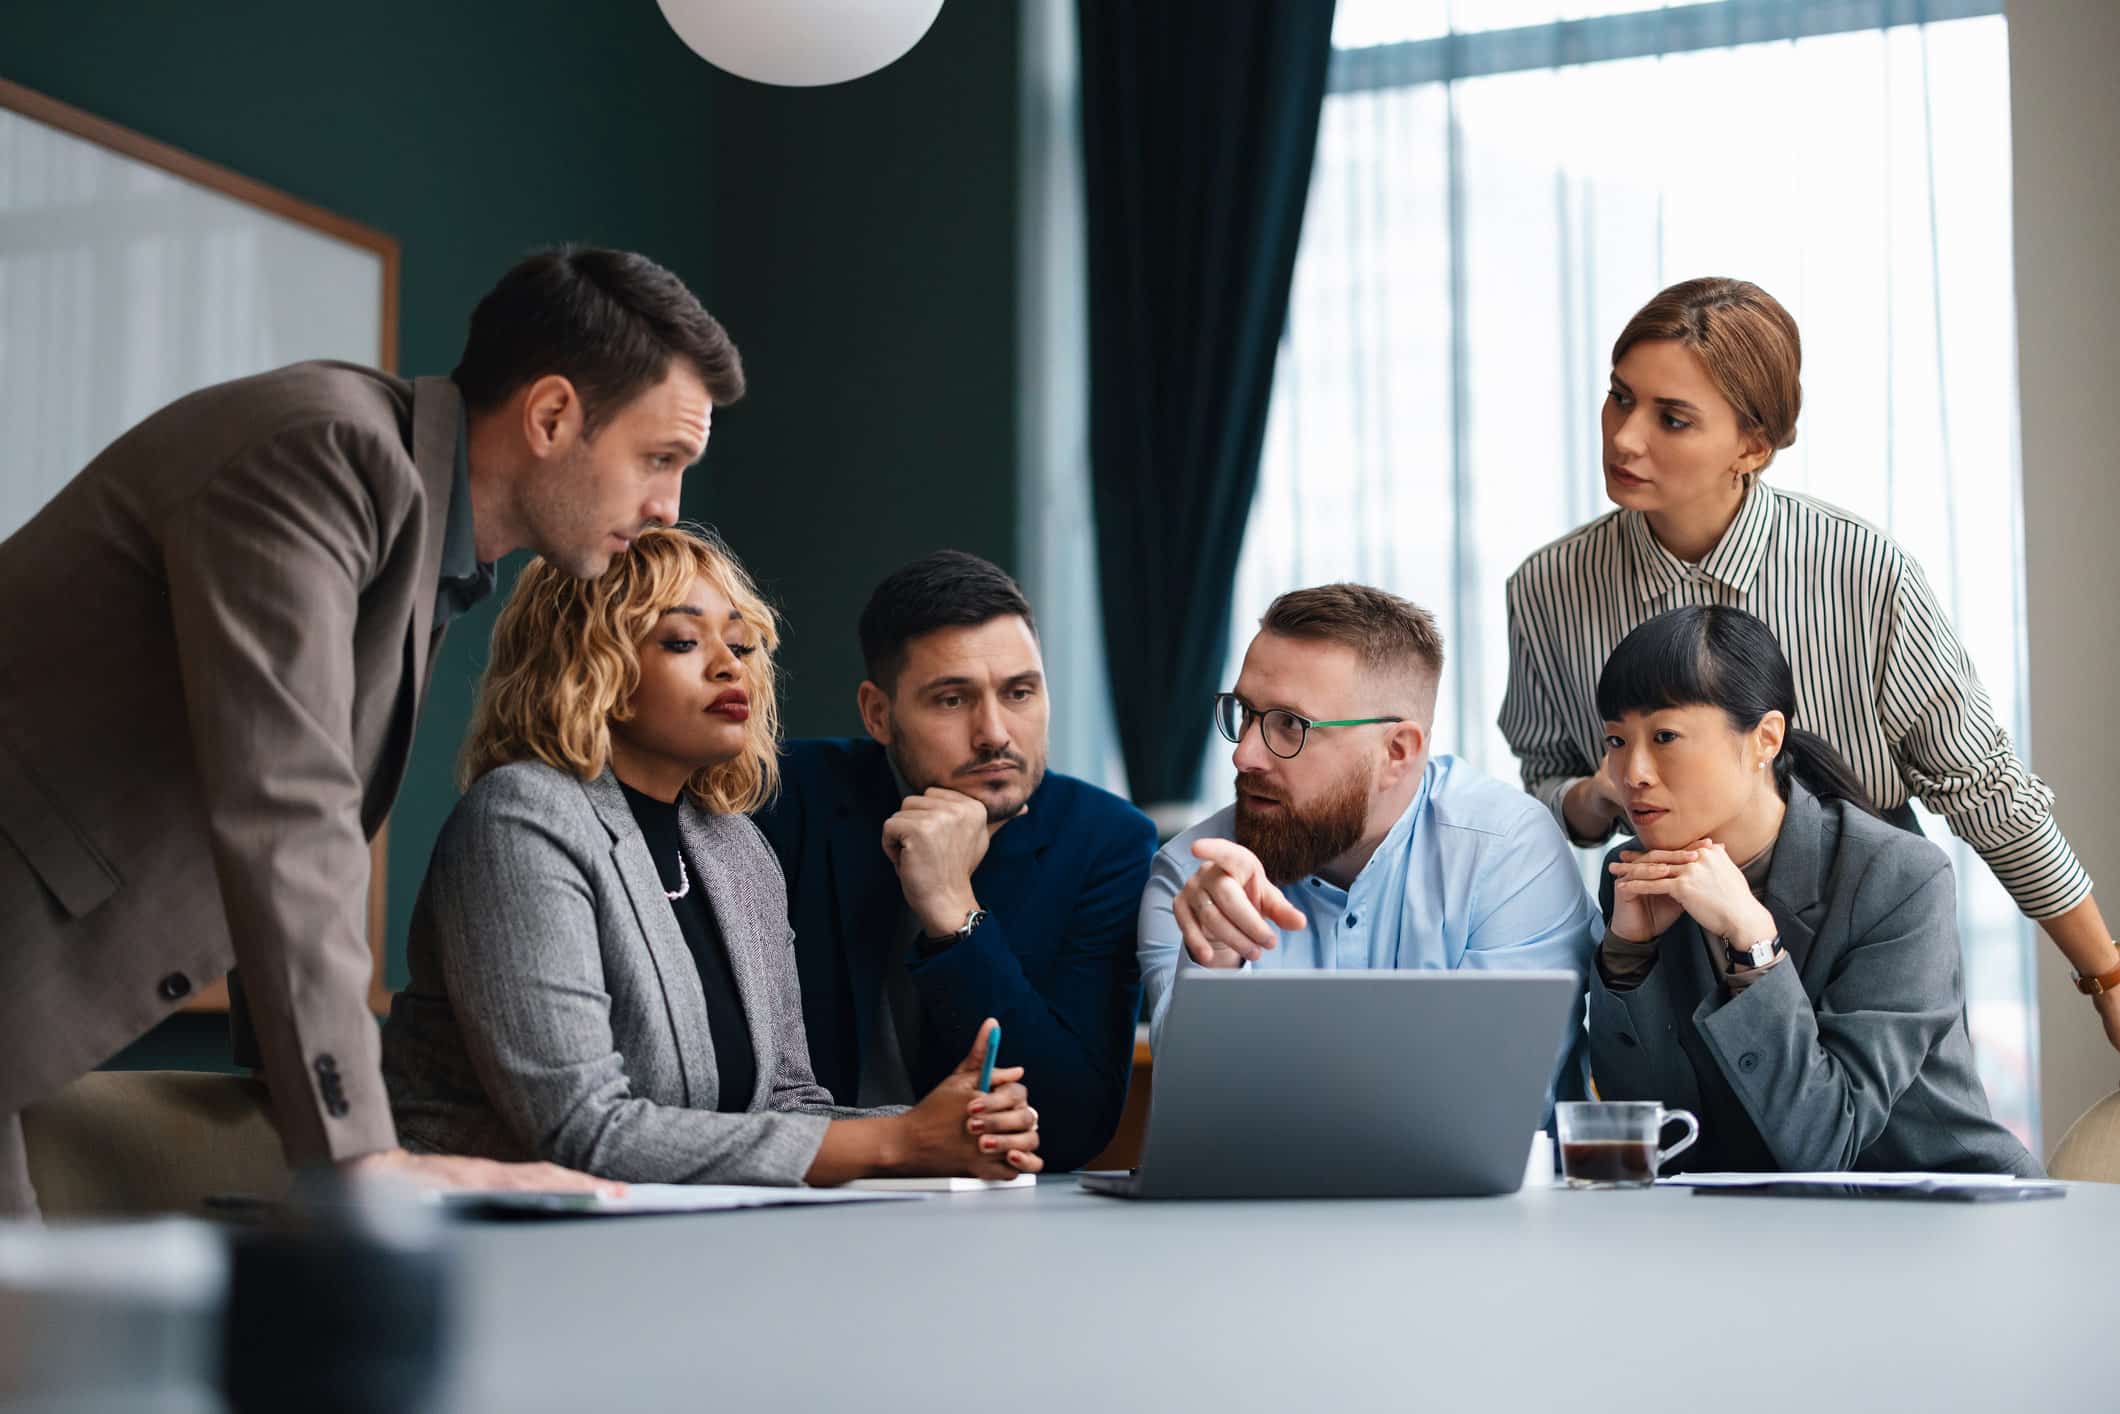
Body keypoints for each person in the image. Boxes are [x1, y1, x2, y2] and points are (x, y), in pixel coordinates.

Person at [0, 246, 743, 1215]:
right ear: (553, 416)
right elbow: (287, 808)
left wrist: (307, 1107)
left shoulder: (416, 536)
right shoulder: (321, 455)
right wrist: (360, 1155)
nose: (668, 509)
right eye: (659, 459)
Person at [1500, 276, 2120, 1052]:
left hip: (1866, 927)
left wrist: (2108, 975)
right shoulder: (1547, 588)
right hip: (1667, 936)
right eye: (1620, 397)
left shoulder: (1862, 570)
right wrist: (1598, 796)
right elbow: (1546, 776)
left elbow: (1984, 788)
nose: (1625, 438)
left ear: (1753, 447)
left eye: (1673, 418)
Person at [382, 528, 1040, 1184]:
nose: (730, 666)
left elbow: (787, 1108)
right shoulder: (522, 817)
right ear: (589, 664)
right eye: (682, 641)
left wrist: (954, 1126)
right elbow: (581, 1130)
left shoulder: (733, 847)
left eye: (741, 642)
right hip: (490, 1248)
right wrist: (899, 1140)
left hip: (678, 1242)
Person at [1585, 604, 2039, 1176]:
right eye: (1617, 740)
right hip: (1749, 1231)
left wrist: (1752, 947)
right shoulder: (1635, 880)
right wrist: (1628, 958)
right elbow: (1654, 1133)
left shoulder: (1900, 879)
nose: (1632, 773)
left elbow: (1827, 1141)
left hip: (1937, 1216)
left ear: (1764, 739)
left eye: (1666, 735)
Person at [753, 551, 1156, 1171]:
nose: (994, 732)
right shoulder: (785, 799)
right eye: (951, 700)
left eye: (1020, 692)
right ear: (879, 714)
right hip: (808, 1193)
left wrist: (951, 908)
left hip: (1005, 1220)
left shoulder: (1108, 842)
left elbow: (1073, 1125)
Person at [1139, 584, 1598, 1100]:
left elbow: (1490, 1103)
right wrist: (1215, 965)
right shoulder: (1192, 873)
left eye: (1290, 725)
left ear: (1397, 752)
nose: (1244, 755)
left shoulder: (1508, 853)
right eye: (1244, 712)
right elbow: (1197, 1112)